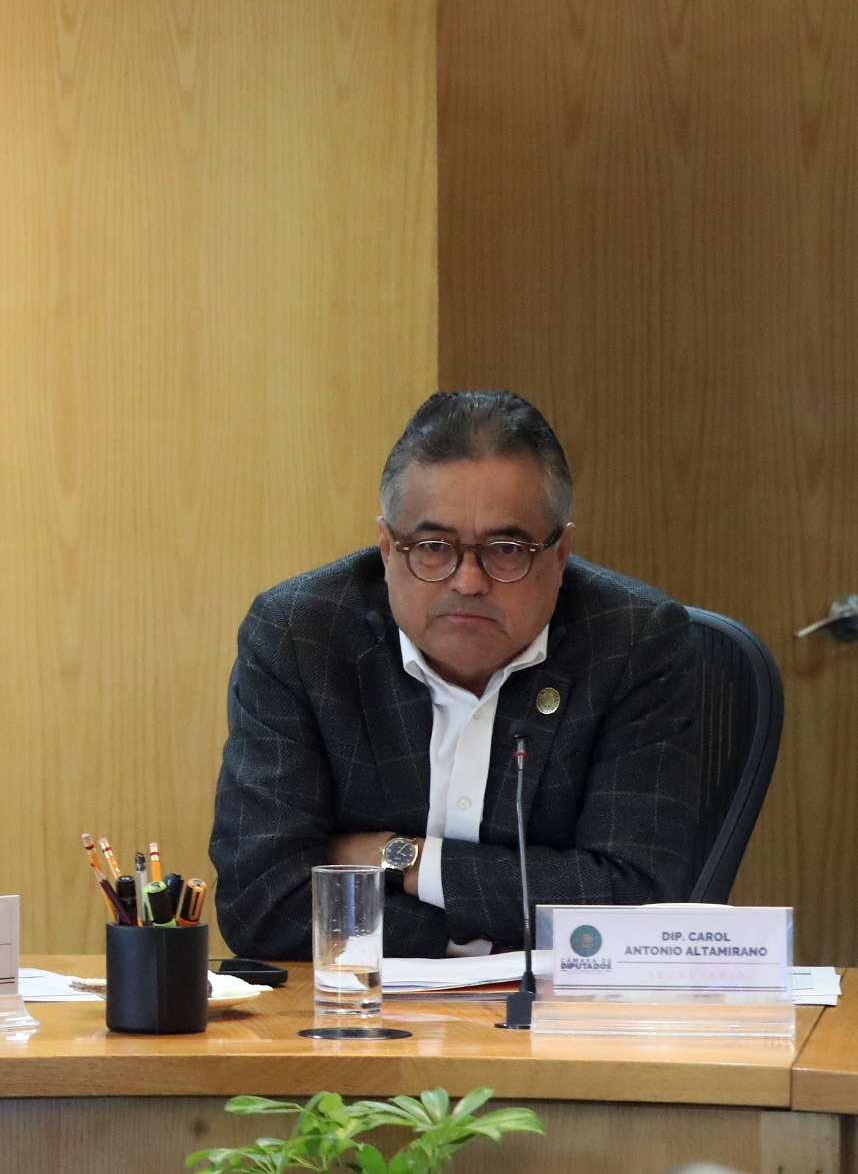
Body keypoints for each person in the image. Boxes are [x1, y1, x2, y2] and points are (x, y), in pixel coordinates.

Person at [210, 390, 701, 960]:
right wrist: (487, 937)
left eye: (507, 548)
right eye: (433, 547)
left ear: (561, 553)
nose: (468, 581)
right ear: (387, 549)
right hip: (363, 1010)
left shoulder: (634, 641)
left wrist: (403, 859)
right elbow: (262, 904)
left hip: (559, 1012)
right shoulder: (301, 636)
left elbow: (637, 904)